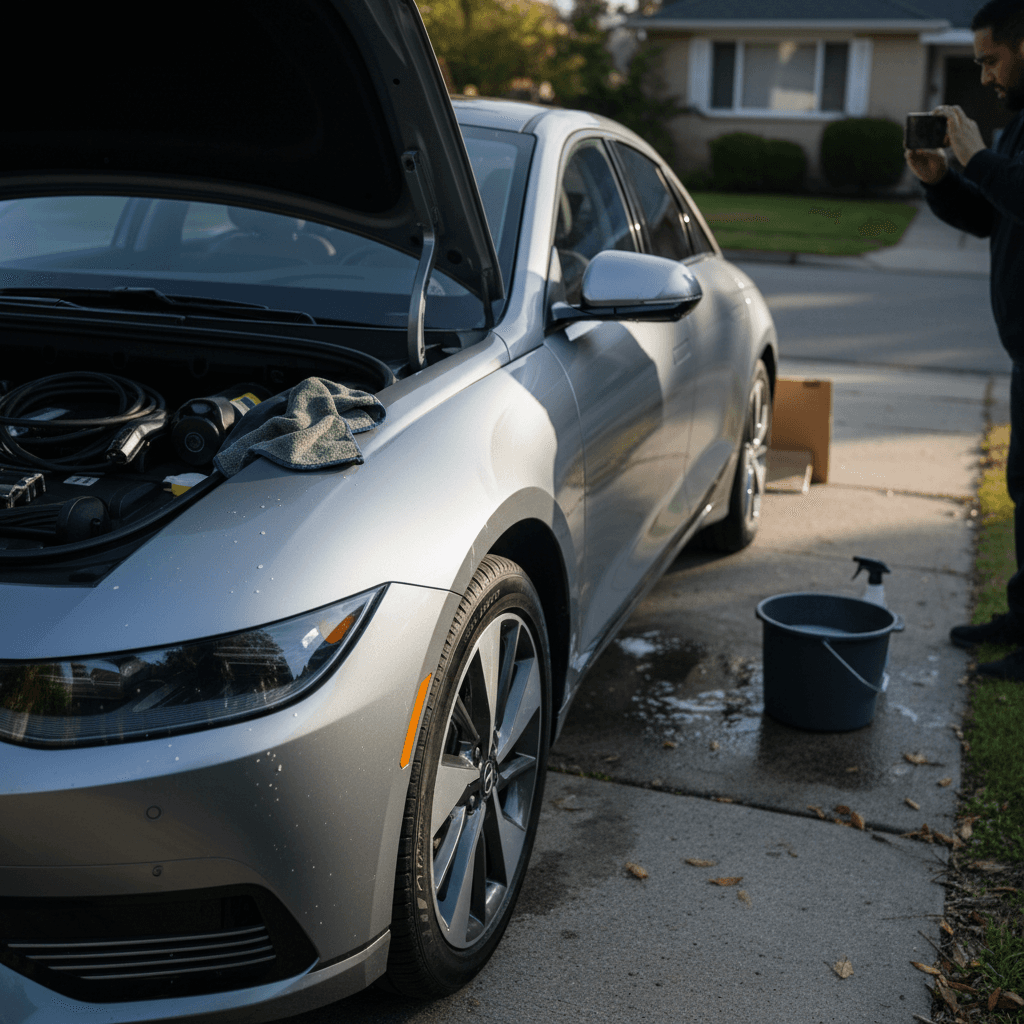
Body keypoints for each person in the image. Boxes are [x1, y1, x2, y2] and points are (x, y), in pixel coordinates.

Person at [905, 0, 1024, 678]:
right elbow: (992, 216)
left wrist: (976, 155)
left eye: (991, 60)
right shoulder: (1018, 125)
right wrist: (943, 179)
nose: (984, 76)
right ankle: (1022, 618)